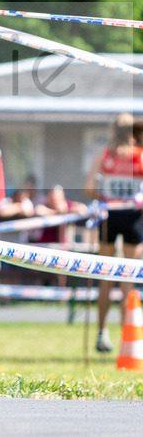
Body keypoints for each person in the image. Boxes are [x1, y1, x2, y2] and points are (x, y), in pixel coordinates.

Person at [84, 113, 143, 353]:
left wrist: (105, 199)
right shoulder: (139, 156)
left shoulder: (105, 156)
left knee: (105, 277)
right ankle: (126, 339)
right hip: (133, 218)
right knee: (129, 280)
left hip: (109, 217)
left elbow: (89, 188)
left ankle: (101, 332)